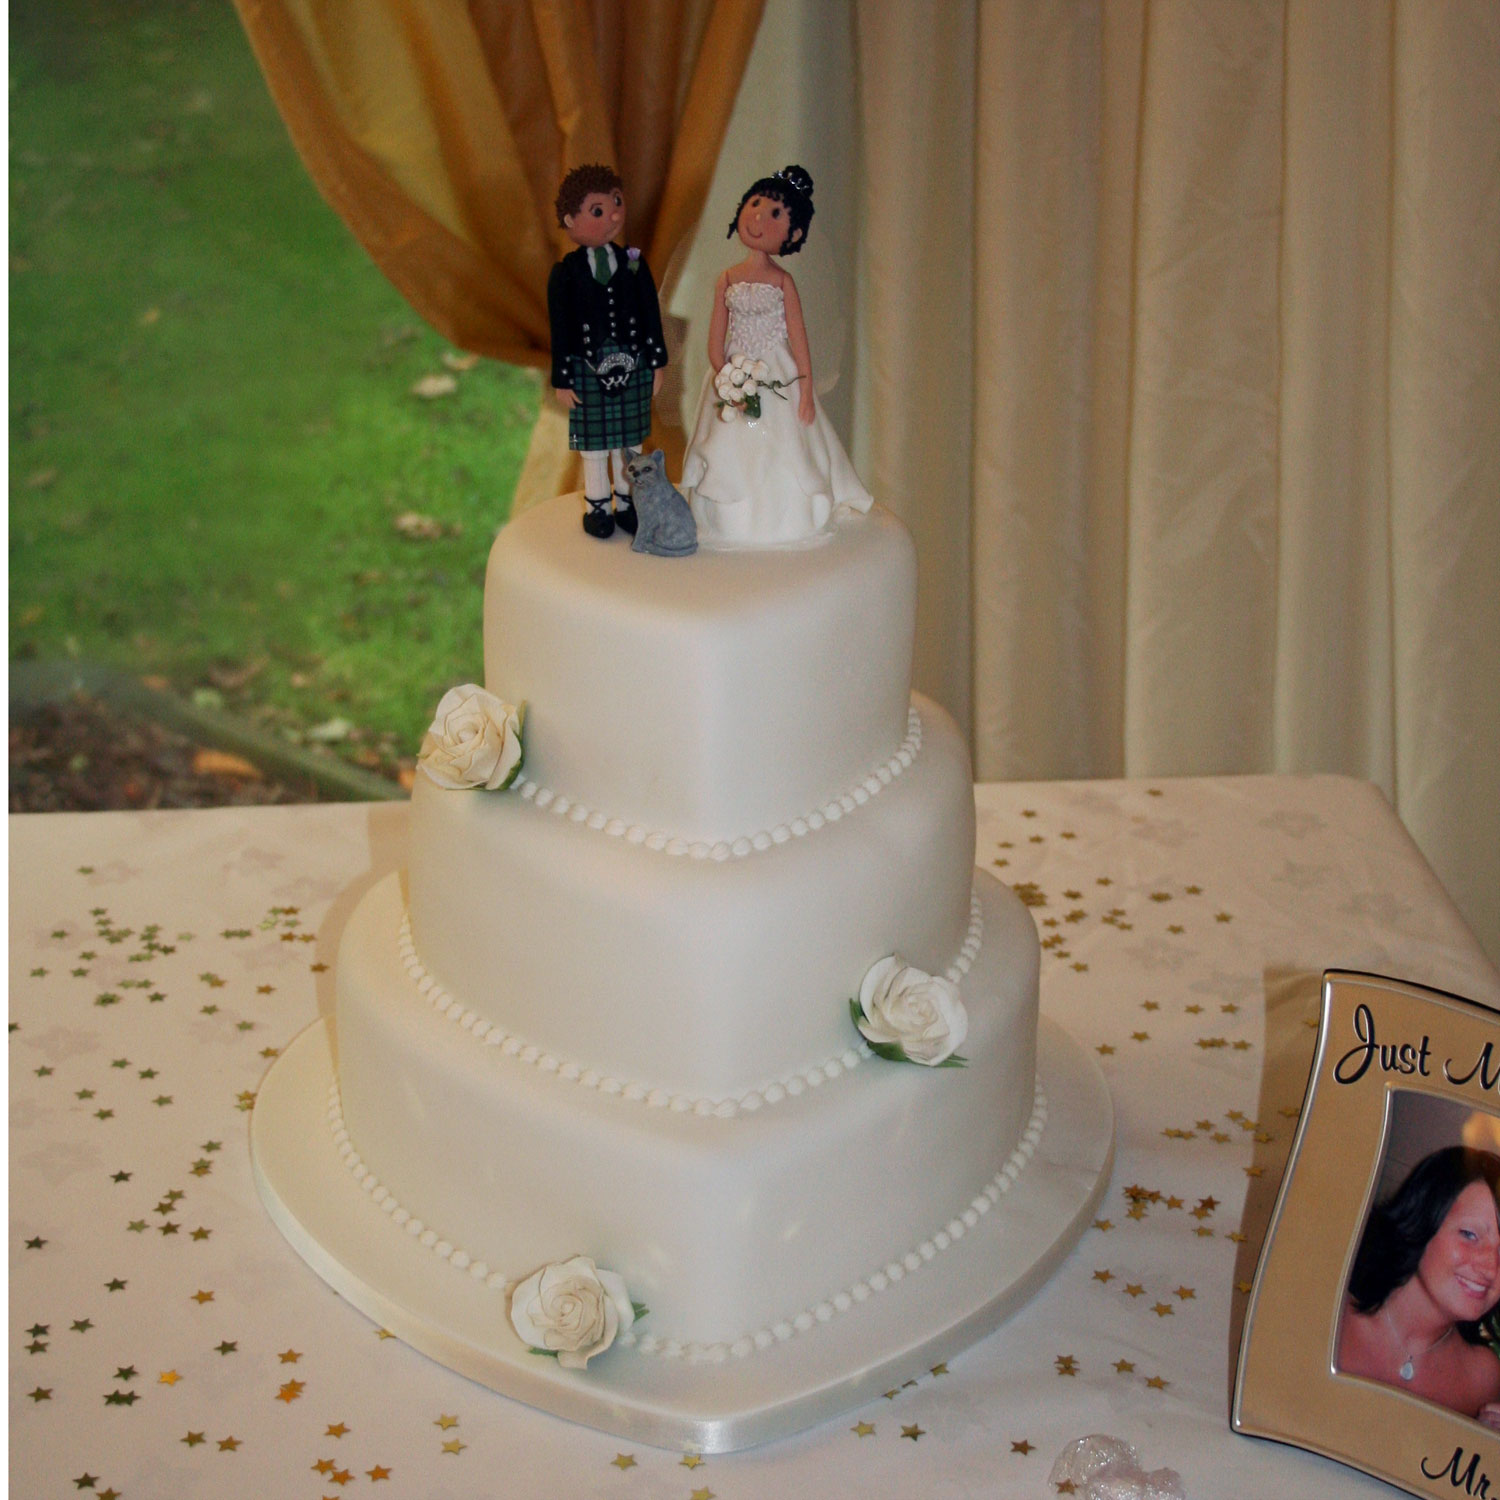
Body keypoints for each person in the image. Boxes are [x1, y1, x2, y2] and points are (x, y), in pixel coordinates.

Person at [681, 165, 872, 548]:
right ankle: (724, 518)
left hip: (777, 372)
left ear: (793, 233)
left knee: (787, 445)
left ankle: (783, 517)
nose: (758, 216)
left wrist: (804, 385)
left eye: (774, 213)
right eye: (754, 203)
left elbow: (798, 335)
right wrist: (727, 377)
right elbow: (715, 338)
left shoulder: (783, 281)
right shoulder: (727, 279)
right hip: (733, 373)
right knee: (727, 442)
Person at [1337, 1146, 1500, 1428]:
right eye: (1470, 1235)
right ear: (1422, 1221)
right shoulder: (1332, 1319)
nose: (1490, 1268)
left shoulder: (1483, 1378)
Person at [548, 165, 668, 539]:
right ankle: (598, 507)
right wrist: (563, 378)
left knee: (629, 442)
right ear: (570, 220)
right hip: (586, 368)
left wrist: (657, 362)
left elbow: (651, 313)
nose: (615, 214)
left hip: (633, 366)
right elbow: (561, 330)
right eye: (599, 210)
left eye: (618, 201)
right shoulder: (565, 274)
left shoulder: (634, 263)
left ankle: (628, 503)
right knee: (595, 446)